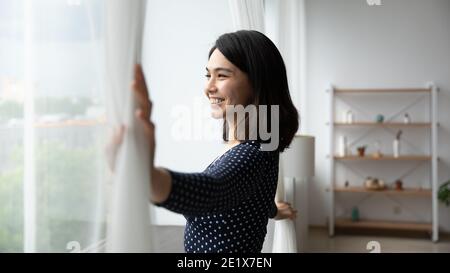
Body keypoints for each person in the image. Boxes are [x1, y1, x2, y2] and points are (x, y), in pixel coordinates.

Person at [108, 30, 299, 253]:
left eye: (222, 75)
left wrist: (146, 176)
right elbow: (252, 194)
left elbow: (212, 190)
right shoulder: (263, 142)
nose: (209, 88)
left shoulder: (252, 154)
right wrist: (273, 210)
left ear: (257, 83)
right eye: (208, 75)